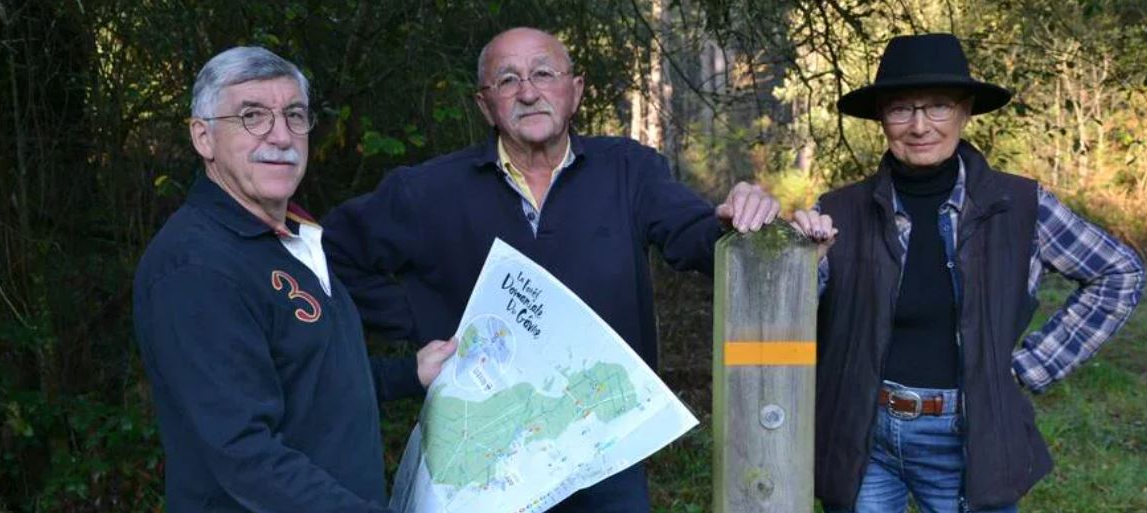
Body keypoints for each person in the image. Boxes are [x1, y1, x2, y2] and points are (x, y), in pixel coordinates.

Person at [322, 27, 780, 513]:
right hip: (481, 451)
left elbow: (693, 236)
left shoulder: (628, 170)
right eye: (507, 80)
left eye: (543, 73)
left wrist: (733, 222)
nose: (528, 91)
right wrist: (419, 319)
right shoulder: (428, 190)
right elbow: (332, 256)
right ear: (485, 105)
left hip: (604, 447)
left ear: (575, 90)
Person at [790, 33, 1146, 512]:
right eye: (900, 109)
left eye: (937, 106)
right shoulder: (839, 212)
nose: (919, 126)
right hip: (864, 436)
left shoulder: (1018, 206)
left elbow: (1119, 272)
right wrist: (799, 261)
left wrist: (1030, 368)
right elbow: (783, 320)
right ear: (881, 119)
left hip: (968, 438)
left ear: (965, 111)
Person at [132, 46, 456, 513]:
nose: (281, 136)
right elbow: (244, 454)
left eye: (294, 115)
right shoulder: (196, 268)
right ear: (203, 137)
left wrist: (413, 374)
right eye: (252, 116)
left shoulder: (294, 237)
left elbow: (310, 374)